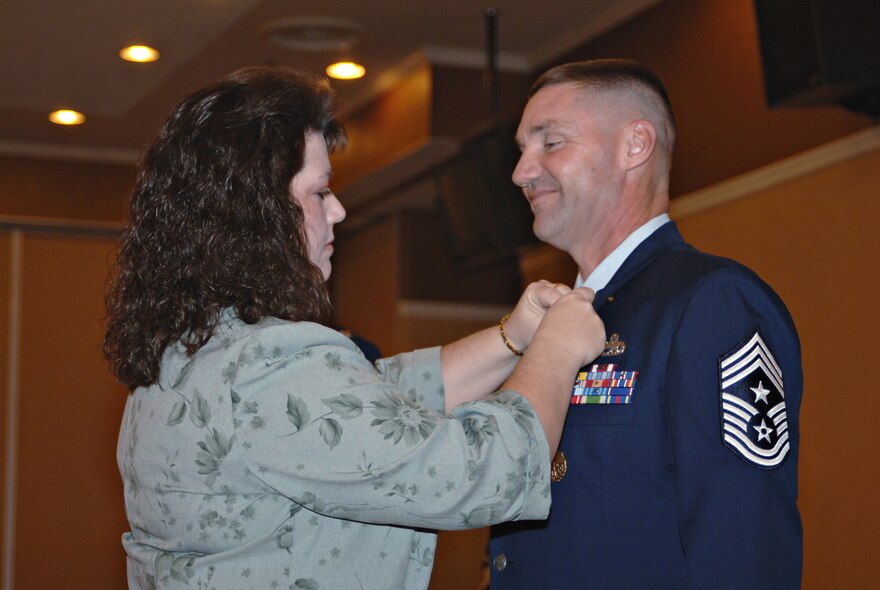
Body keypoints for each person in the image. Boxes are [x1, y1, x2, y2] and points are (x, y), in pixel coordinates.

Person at [104, 66, 606, 589]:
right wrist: (555, 351)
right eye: (320, 193)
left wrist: (515, 336)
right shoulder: (268, 366)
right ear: (258, 213)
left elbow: (374, 400)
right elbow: (480, 475)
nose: (338, 210)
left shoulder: (190, 353)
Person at [488, 59, 803, 588]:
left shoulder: (711, 304)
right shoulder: (551, 319)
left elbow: (743, 543)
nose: (522, 171)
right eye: (522, 149)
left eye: (551, 142)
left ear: (635, 145)